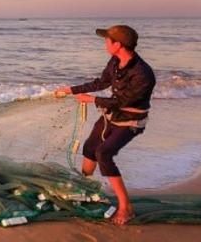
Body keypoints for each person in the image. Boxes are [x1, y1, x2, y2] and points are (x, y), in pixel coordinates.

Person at [55, 25, 155, 226]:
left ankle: (126, 207)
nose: (105, 44)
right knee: (90, 149)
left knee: (104, 153)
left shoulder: (143, 74)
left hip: (131, 121)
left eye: (107, 40)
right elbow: (101, 83)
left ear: (118, 44)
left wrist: (91, 101)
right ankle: (84, 189)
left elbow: (123, 102)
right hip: (111, 115)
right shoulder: (115, 61)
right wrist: (71, 90)